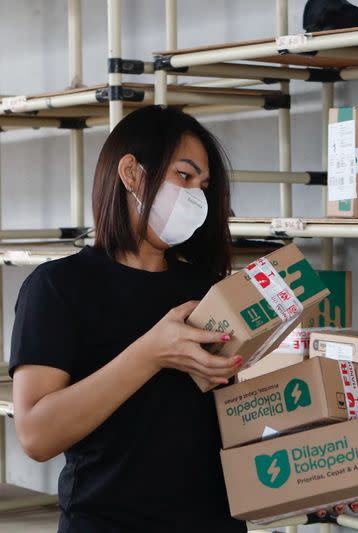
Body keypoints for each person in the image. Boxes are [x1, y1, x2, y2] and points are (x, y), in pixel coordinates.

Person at [10, 106, 246, 533]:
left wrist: (321, 474)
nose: (197, 197)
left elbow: (246, 412)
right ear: (131, 174)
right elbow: (36, 435)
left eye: (204, 186)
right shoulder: (59, 287)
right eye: (184, 176)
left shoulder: (207, 288)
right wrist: (151, 354)